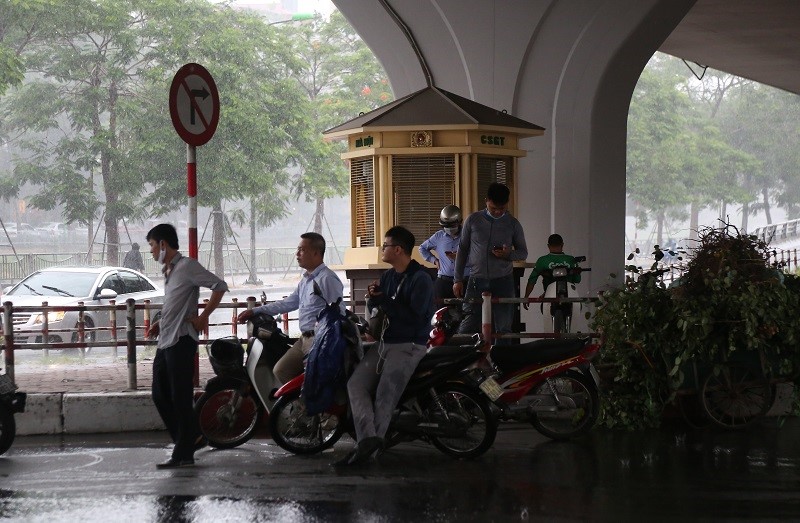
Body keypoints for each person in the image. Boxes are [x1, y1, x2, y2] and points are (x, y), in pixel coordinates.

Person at [335, 226, 434, 466]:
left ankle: (369, 450)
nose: (382, 250)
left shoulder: (421, 279)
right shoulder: (389, 276)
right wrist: (376, 298)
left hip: (409, 344)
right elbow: (385, 305)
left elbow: (416, 318)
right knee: (355, 384)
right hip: (384, 343)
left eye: (385, 246)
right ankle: (368, 441)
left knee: (384, 397)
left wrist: (385, 302)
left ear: (398, 249)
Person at [146, 223, 228, 469]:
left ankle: (183, 453)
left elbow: (219, 286)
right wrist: (160, 322)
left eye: (151, 245)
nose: (150, 251)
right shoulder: (169, 270)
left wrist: (203, 317)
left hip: (182, 340)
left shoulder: (188, 266)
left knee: (180, 397)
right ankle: (190, 438)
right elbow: (174, 303)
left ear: (163, 244)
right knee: (160, 394)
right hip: (166, 339)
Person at [236, 232, 344, 385]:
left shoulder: (327, 279)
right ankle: (299, 406)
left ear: (315, 253)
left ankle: (312, 407)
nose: (297, 254)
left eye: (301, 250)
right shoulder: (306, 280)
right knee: (280, 370)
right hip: (304, 338)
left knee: (313, 381)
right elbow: (288, 303)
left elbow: (339, 311)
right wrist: (255, 311)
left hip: (319, 339)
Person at [453, 182, 528, 340]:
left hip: (504, 281)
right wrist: (457, 279)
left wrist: (507, 254)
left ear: (507, 203)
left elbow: (523, 253)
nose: (498, 212)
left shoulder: (513, 224)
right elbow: (462, 249)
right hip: (476, 280)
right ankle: (465, 360)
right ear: (486, 200)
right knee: (468, 324)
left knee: (503, 328)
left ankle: (500, 361)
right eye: (494, 208)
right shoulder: (473, 220)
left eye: (502, 208)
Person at [419, 205, 470, 303]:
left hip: (464, 281)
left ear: (459, 222)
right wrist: (434, 260)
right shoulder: (438, 236)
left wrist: (461, 257)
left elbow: (477, 256)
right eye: (446, 226)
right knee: (440, 312)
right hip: (444, 281)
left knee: (465, 312)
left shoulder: (468, 236)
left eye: (452, 226)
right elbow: (422, 248)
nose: (449, 228)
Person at [523, 233, 582, 309]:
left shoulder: (542, 260)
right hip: (569, 296)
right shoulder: (571, 260)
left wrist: (526, 297)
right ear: (562, 245)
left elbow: (532, 280)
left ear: (548, 246)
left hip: (549, 296)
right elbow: (577, 280)